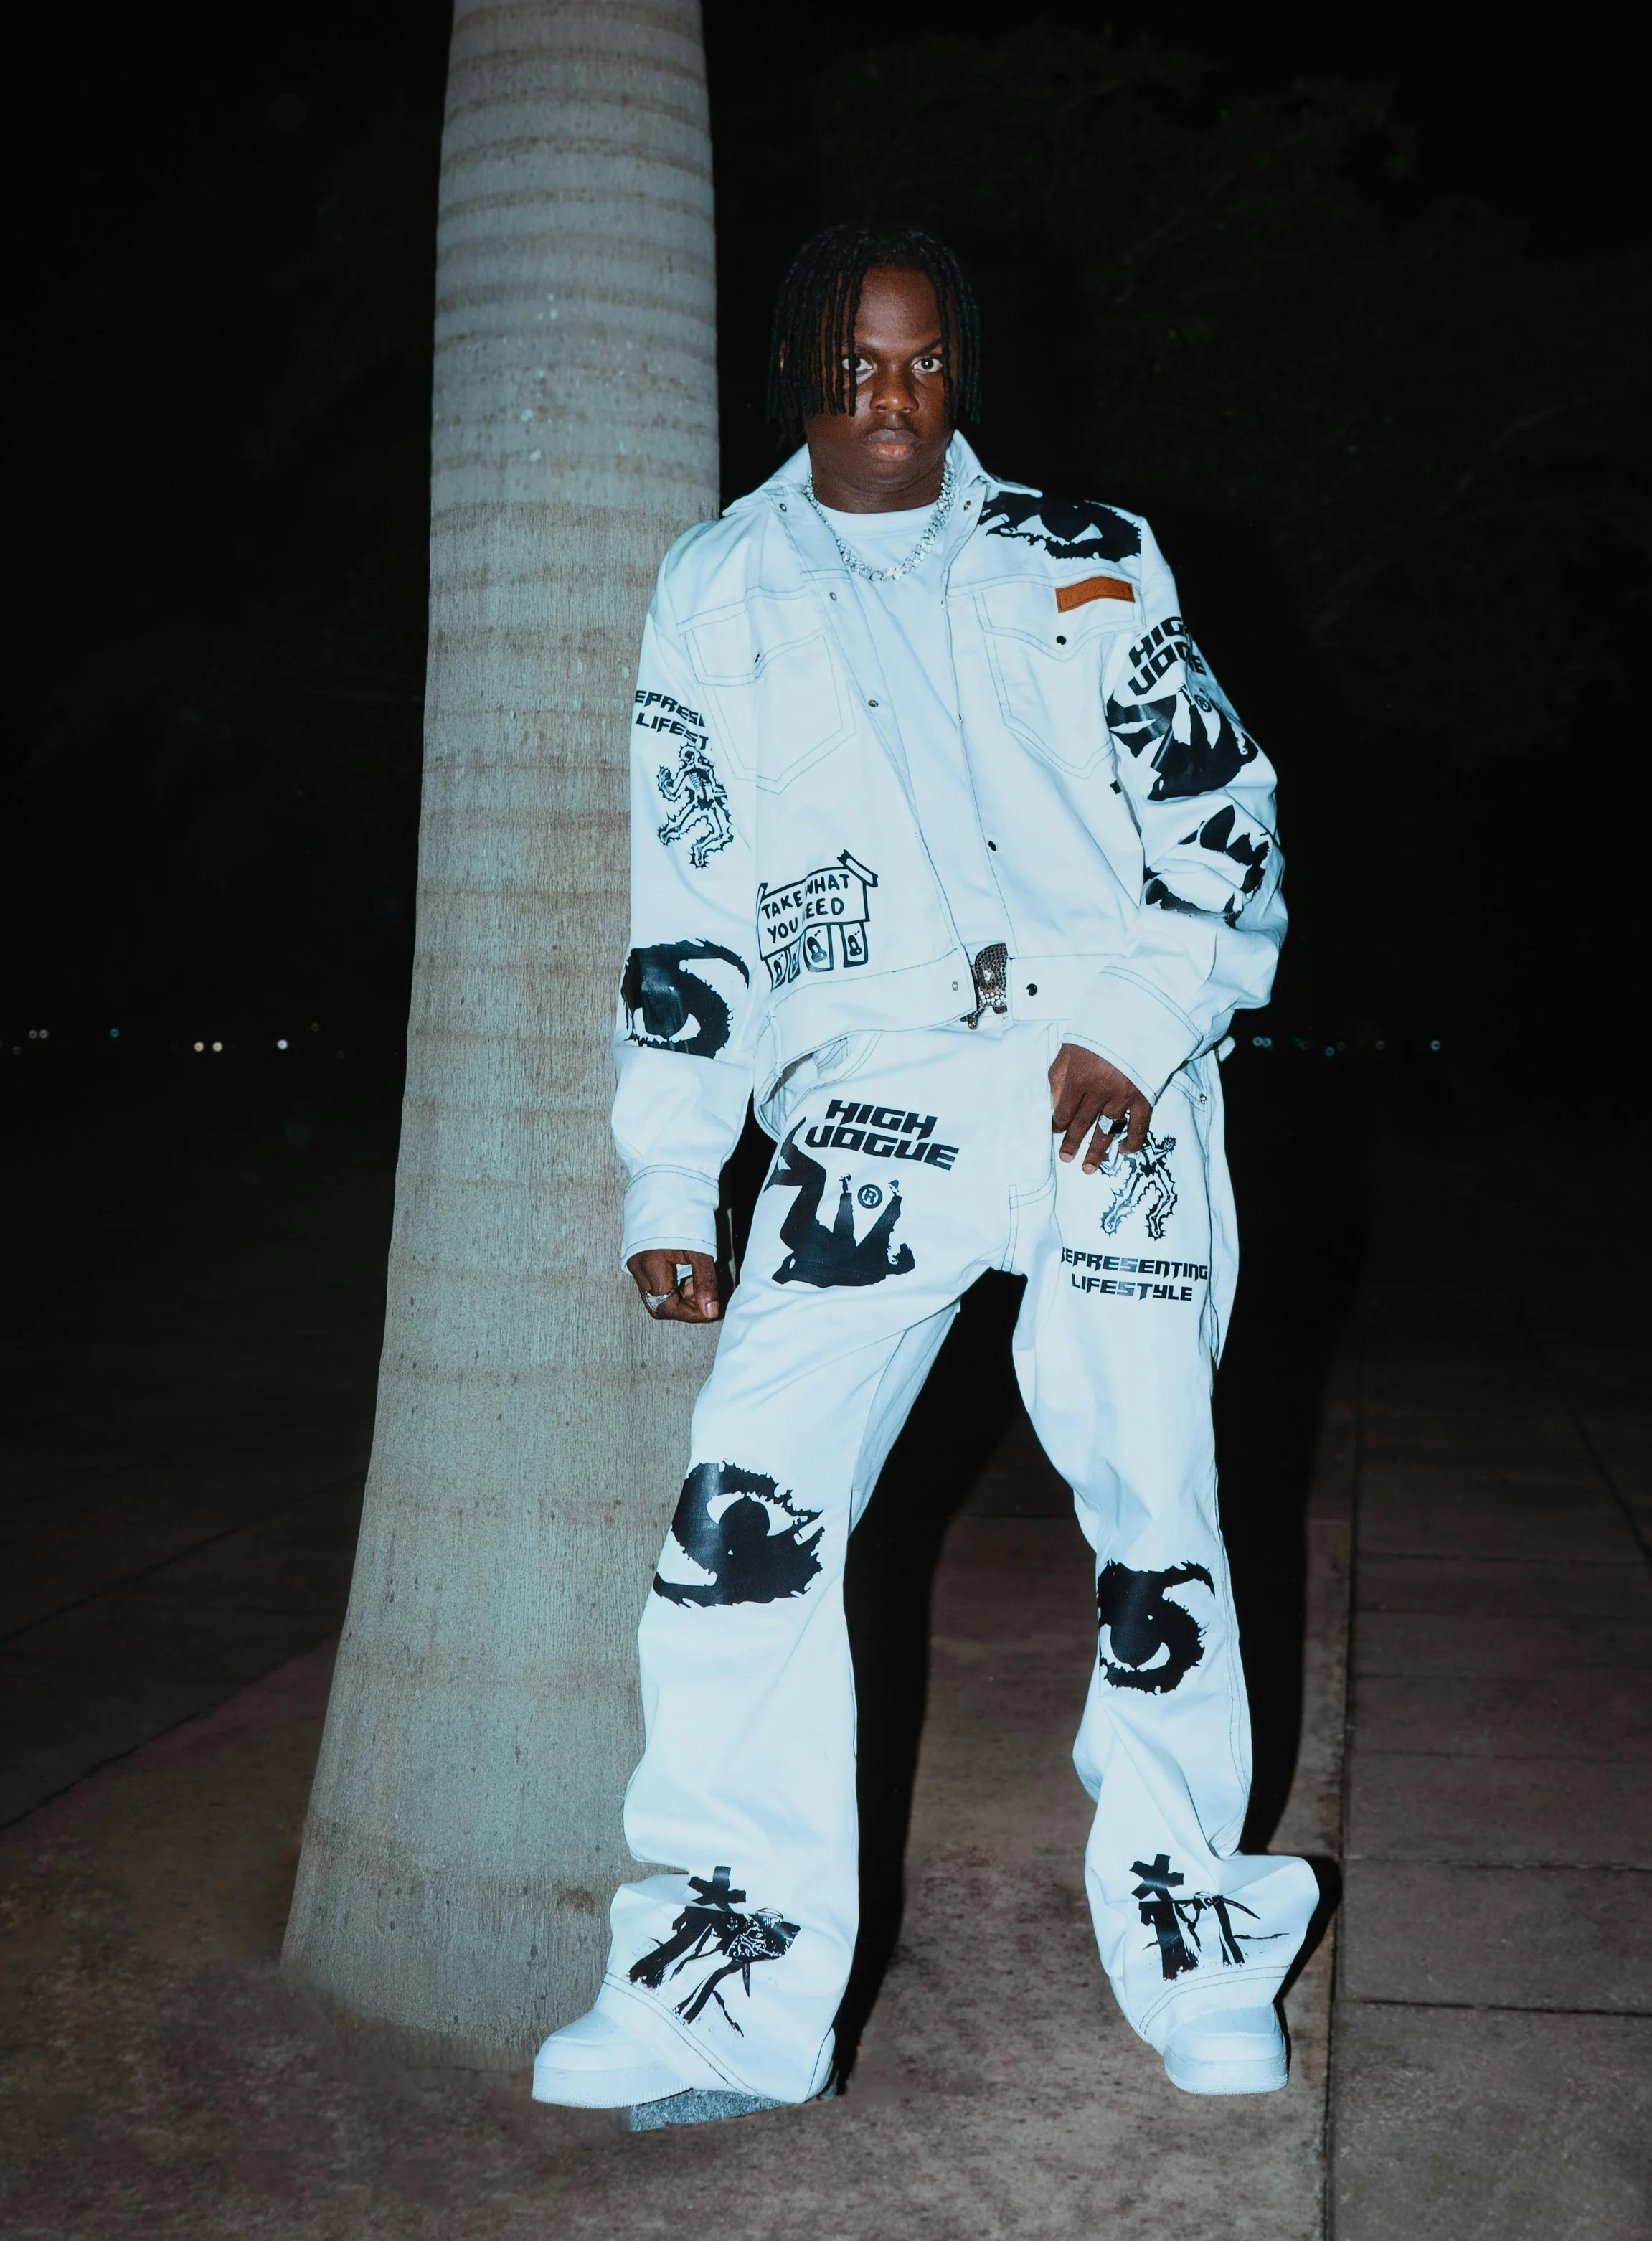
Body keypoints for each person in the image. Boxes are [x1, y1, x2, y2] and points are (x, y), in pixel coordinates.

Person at [533, 223, 1317, 2123]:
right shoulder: (711, 588)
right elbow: (689, 901)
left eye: (923, 366)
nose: (889, 400)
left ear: (960, 373)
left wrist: (1130, 1031)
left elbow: (1225, 825)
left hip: (1105, 1092)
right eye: (855, 363)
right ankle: (719, 1976)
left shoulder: (1088, 556)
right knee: (735, 1534)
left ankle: (1192, 1924)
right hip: (866, 1103)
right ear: (796, 366)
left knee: (1157, 1528)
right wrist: (668, 1177)